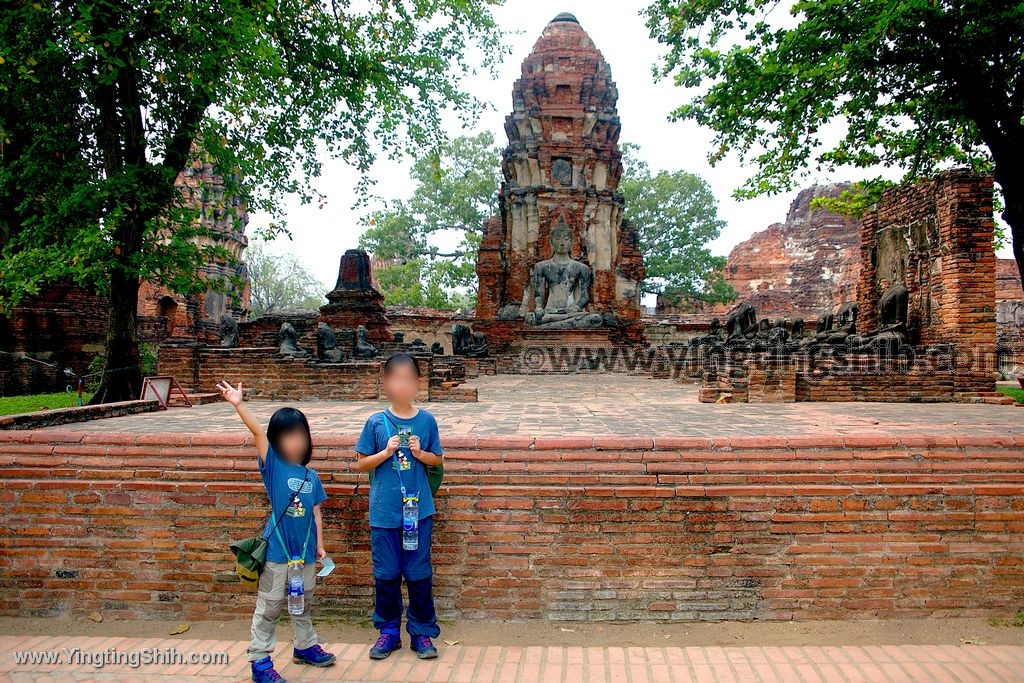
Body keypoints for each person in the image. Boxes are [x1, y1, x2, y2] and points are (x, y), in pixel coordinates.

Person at [216, 380, 336, 683]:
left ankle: (305, 646)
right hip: (278, 554)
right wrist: (238, 404)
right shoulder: (274, 467)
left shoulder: (311, 476)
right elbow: (257, 432)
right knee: (269, 607)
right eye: (287, 436)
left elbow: (316, 512)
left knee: (302, 601)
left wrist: (320, 546)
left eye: (300, 436)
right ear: (276, 440)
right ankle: (259, 660)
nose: (295, 442)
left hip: (305, 555)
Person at [354, 353, 444, 660]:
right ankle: (388, 632)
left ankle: (421, 633)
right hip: (384, 512)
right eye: (396, 379)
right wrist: (385, 451)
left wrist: (421, 454)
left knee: (419, 574)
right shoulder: (375, 422)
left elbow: (438, 460)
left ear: (419, 383)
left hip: (418, 513)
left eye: (409, 379)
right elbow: (361, 463)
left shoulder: (427, 420)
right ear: (386, 383)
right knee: (386, 574)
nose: (402, 385)